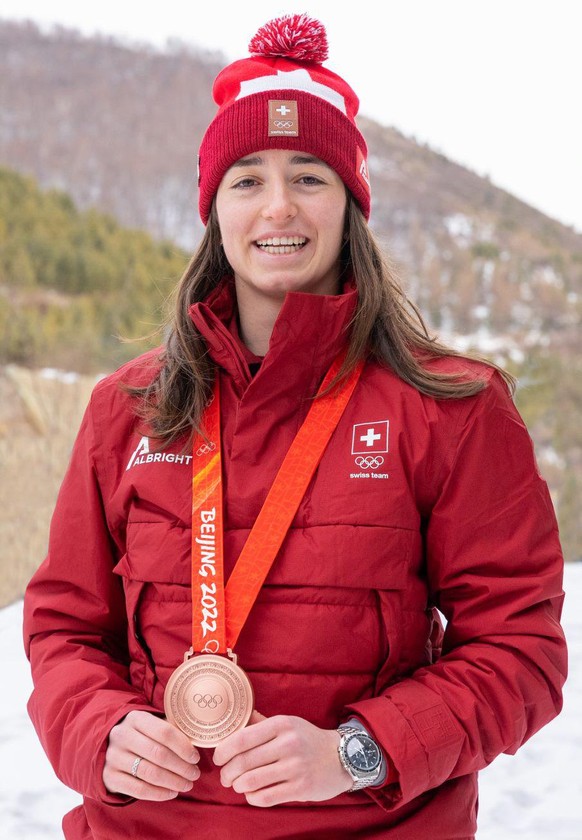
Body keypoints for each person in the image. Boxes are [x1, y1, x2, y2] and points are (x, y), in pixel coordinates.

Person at [24, 13, 567, 840]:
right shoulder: (127, 407)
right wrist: (96, 730)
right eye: (247, 179)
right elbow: (65, 626)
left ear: (350, 200)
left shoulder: (451, 407)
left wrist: (360, 751)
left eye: (309, 176)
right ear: (214, 209)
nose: (278, 206)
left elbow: (521, 650)